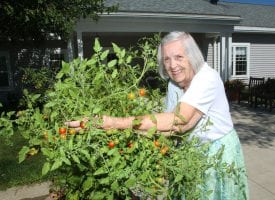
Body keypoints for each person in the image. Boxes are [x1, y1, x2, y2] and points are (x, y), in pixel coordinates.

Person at [66, 31, 249, 199]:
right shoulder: (174, 84)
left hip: (217, 153)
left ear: (192, 57)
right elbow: (177, 127)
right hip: (190, 153)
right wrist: (134, 137)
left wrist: (115, 123)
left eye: (178, 57)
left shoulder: (207, 78)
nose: (172, 65)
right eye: (167, 59)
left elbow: (179, 120)